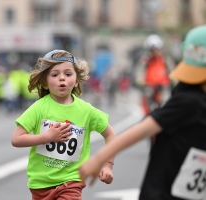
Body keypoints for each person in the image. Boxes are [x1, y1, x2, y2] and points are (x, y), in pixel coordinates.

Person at [78, 25, 206, 200]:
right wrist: (98, 159)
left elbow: (168, 74)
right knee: (151, 114)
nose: (154, 51)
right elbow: (143, 129)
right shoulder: (188, 101)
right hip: (162, 194)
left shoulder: (165, 60)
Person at [11, 49, 116, 200]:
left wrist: (108, 165)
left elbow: (111, 135)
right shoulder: (39, 108)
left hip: (71, 182)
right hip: (40, 184)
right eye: (54, 75)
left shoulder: (86, 111)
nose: (62, 78)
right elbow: (16, 139)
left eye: (68, 74)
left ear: (76, 80)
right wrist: (46, 137)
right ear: (45, 82)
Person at [136, 34, 175, 115]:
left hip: (163, 84)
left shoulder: (165, 59)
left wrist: (173, 79)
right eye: (152, 50)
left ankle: (165, 116)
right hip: (149, 84)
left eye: (156, 49)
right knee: (146, 98)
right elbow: (140, 70)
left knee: (166, 100)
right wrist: (139, 79)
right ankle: (147, 116)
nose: (154, 52)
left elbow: (171, 69)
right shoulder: (145, 60)